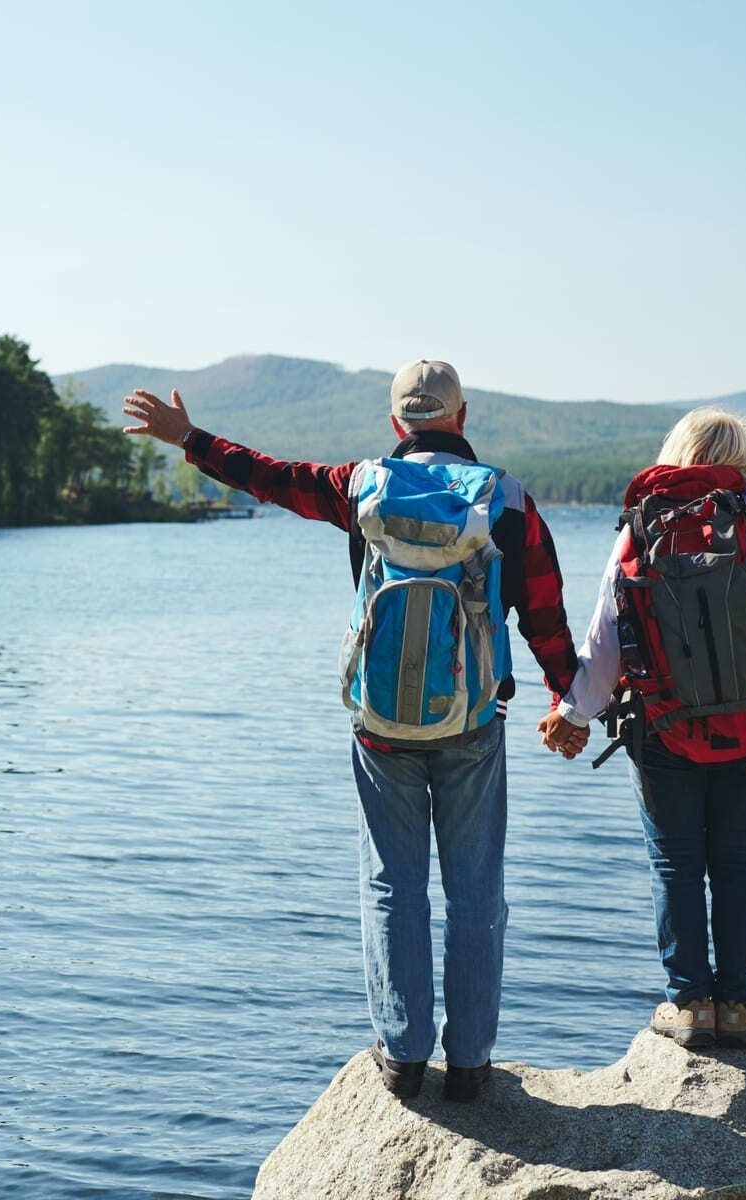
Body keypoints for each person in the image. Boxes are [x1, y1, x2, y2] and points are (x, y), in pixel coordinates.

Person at [123, 362, 581, 1102]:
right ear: (462, 416)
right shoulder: (508, 499)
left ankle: (401, 1057)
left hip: (380, 726)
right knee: (475, 892)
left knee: (391, 885)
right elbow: (547, 615)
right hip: (473, 725)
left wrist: (192, 439)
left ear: (398, 423)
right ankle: (469, 1065)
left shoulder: (361, 483)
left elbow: (272, 477)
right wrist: (571, 701)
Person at [538, 290, 746, 1051]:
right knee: (741, 865)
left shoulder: (638, 533)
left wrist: (571, 715)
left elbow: (603, 643)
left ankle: (688, 1005)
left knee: (676, 865)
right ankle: (738, 1008)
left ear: (674, 456)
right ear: (737, 467)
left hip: (663, 734)